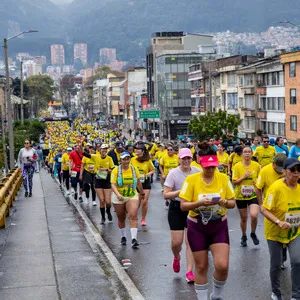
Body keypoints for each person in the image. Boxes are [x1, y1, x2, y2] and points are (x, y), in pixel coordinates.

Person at [179, 142, 235, 300]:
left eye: (213, 167)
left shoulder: (223, 178)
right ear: (200, 163)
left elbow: (232, 203)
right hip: (197, 226)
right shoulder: (192, 180)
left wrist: (222, 201)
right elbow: (183, 205)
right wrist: (199, 203)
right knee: (202, 266)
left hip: (218, 225)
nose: (211, 170)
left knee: (222, 265)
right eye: (207, 167)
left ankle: (216, 295)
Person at [261, 158, 300, 300]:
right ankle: (276, 292)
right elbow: (264, 209)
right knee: (276, 264)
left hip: (294, 231)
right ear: (284, 171)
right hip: (275, 231)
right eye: (292, 170)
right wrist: (278, 222)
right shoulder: (276, 188)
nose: (296, 173)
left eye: (299, 170)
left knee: (297, 261)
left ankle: (296, 295)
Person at [164, 148, 200, 283]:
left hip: (192, 208)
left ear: (192, 159)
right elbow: (165, 194)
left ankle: (189, 271)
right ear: (178, 159)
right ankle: (176, 256)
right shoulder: (173, 173)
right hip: (176, 208)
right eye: (183, 158)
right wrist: (180, 192)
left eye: (188, 158)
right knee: (176, 242)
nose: (186, 161)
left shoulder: (197, 171)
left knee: (190, 241)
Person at [256, 153, 287, 269]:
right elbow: (258, 188)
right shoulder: (265, 171)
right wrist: (260, 204)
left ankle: (283, 257)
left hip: (286, 206)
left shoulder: (289, 170)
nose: (279, 171)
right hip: (271, 208)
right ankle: (278, 259)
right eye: (277, 168)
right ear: (273, 164)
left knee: (286, 233)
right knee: (275, 235)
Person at [111, 151, 145, 248]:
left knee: (133, 215)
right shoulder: (116, 170)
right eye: (124, 159)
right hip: (119, 196)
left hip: (131, 195)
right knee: (121, 217)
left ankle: (134, 239)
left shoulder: (134, 169)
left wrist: (142, 193)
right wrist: (117, 194)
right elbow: (113, 184)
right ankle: (123, 236)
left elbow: (138, 182)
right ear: (120, 160)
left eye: (128, 159)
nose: (126, 161)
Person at [232, 146, 261, 247]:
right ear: (242, 154)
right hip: (241, 195)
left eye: (249, 152)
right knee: (244, 218)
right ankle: (244, 236)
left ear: (252, 154)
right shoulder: (237, 166)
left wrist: (257, 182)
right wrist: (244, 176)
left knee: (254, 215)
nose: (247, 154)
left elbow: (261, 180)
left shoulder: (257, 165)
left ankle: (253, 233)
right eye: (245, 152)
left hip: (253, 194)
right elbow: (234, 182)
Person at [131, 143, 155, 226]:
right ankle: (134, 215)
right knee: (137, 202)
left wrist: (149, 174)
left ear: (143, 151)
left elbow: (153, 169)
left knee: (144, 201)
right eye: (136, 149)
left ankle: (143, 219)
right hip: (136, 183)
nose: (136, 151)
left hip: (145, 182)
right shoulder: (133, 159)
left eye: (138, 149)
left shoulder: (148, 160)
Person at [93, 144, 115, 224]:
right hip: (98, 180)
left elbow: (112, 169)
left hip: (106, 180)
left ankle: (108, 211)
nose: (104, 151)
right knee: (102, 200)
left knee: (108, 202)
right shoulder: (96, 157)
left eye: (105, 149)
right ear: (100, 150)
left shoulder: (109, 158)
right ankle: (103, 218)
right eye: (102, 149)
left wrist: (106, 169)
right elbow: (85, 154)